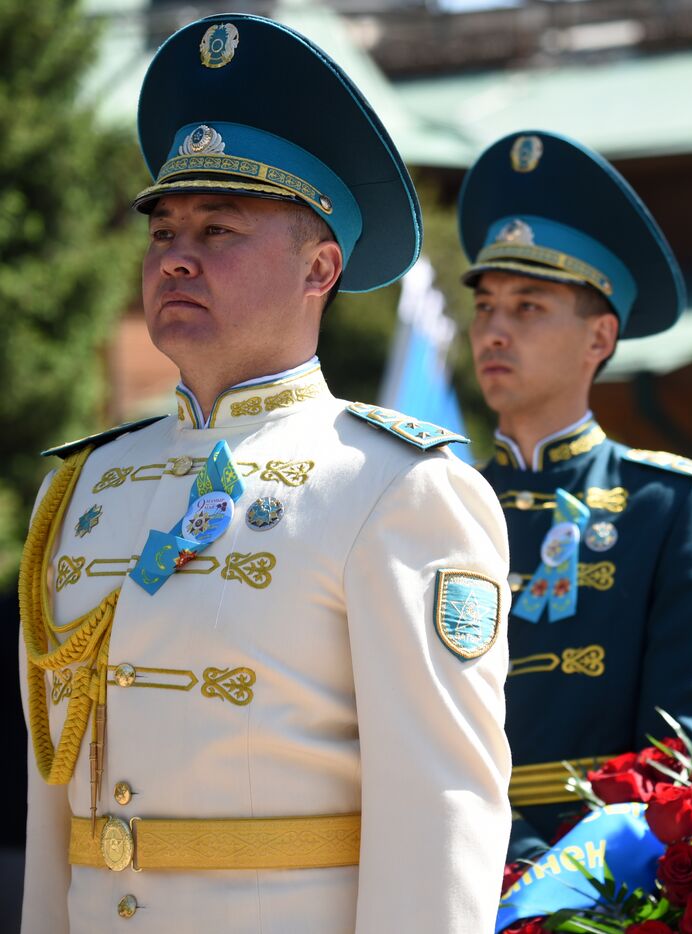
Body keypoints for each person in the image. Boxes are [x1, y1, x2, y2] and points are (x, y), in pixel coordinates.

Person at [19, 15, 511, 932]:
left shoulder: (395, 488)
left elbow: (441, 814)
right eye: (163, 227)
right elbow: (56, 814)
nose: (176, 253)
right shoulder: (79, 491)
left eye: (219, 227)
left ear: (320, 267)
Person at [457, 131, 692, 861]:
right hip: (442, 861)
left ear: (600, 336)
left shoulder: (674, 503)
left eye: (528, 307)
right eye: (486, 304)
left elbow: (680, 750)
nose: (494, 327)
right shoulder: (433, 496)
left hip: (597, 874)